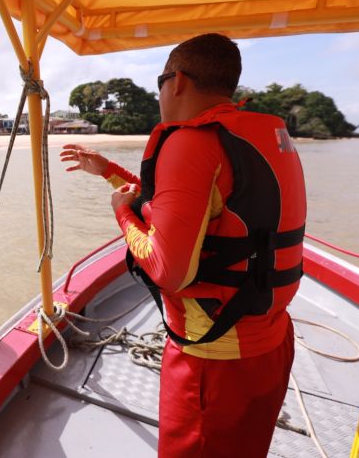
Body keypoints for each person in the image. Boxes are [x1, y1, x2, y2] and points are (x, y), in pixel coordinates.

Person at [60, 33, 306, 457]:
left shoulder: (191, 141)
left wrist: (120, 214)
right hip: (272, 341)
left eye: (160, 81)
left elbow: (167, 268)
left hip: (213, 358)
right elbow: (193, 208)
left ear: (176, 82)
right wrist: (108, 172)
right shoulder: (260, 135)